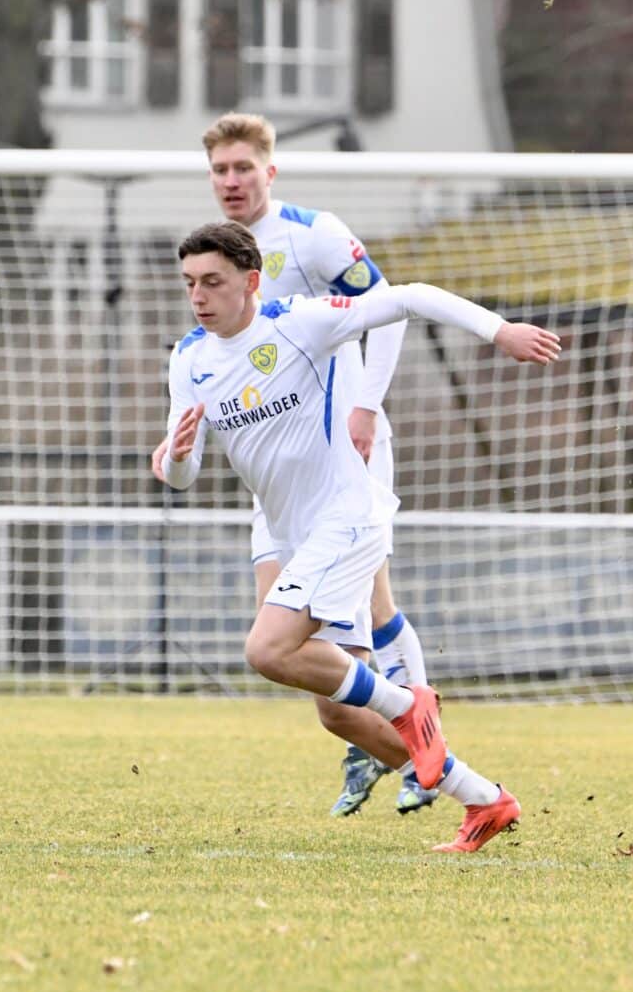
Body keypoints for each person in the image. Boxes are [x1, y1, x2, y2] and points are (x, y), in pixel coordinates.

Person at [153, 220, 559, 852]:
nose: (199, 296)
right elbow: (182, 474)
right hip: (292, 533)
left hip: (346, 518)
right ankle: (485, 799)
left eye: (213, 281)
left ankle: (406, 702)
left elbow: (407, 296)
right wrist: (175, 457)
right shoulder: (190, 359)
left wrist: (498, 330)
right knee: (339, 710)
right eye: (189, 284)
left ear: (250, 281)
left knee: (266, 650)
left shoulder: (301, 321)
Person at [200, 112, 436, 817]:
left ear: (270, 172)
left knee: (372, 599)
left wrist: (366, 405)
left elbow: (389, 309)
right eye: (220, 170)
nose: (232, 181)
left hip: (345, 449)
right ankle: (372, 737)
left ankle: (425, 745)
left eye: (244, 168)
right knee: (285, 628)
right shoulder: (219, 255)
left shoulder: (314, 234)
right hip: (278, 466)